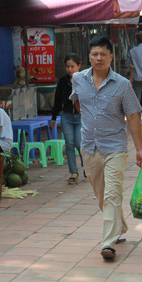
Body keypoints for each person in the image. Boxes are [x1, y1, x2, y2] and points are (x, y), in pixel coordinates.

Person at [70, 35, 142, 260]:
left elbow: (133, 116)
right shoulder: (78, 78)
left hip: (115, 146)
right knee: (102, 195)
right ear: (89, 56)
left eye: (103, 54)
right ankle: (120, 226)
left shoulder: (122, 84)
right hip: (89, 147)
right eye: (95, 54)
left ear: (111, 57)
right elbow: (77, 101)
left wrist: (140, 149)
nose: (99, 58)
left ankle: (108, 243)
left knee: (113, 194)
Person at [50, 53, 84, 185]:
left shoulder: (85, 80)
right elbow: (58, 100)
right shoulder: (63, 82)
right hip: (67, 117)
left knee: (79, 144)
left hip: (81, 117)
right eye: (67, 67)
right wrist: (53, 117)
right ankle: (74, 173)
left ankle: (86, 166)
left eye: (72, 66)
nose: (70, 69)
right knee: (69, 144)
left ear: (79, 66)